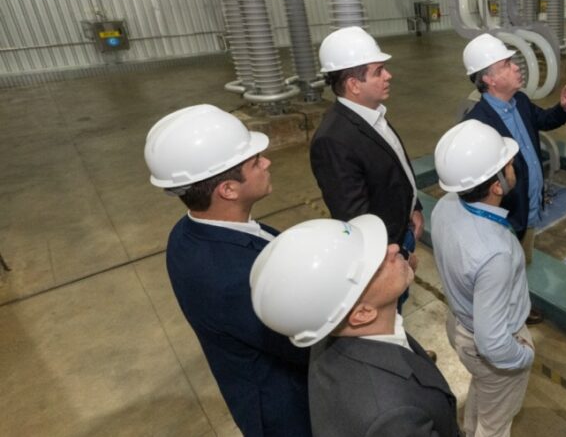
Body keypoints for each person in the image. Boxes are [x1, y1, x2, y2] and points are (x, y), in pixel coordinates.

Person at [144, 104, 310, 437]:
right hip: (289, 412)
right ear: (228, 190)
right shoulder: (233, 280)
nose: (268, 162)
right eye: (255, 161)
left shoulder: (187, 232)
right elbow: (303, 345)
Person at [250, 214, 461, 437]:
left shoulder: (331, 325)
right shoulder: (392, 417)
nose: (393, 248)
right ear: (362, 313)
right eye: (378, 266)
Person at [462, 33, 566, 323]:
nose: (517, 67)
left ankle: (518, 306)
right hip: (506, 217)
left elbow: (543, 120)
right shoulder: (477, 124)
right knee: (501, 271)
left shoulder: (521, 102)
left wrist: (564, 107)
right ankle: (506, 317)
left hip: (529, 209)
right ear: (488, 79)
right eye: (507, 64)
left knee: (521, 263)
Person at [431, 120, 534, 437]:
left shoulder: (445, 205)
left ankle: (468, 428)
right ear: (498, 185)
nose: (513, 165)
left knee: (483, 395)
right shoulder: (494, 253)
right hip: (487, 341)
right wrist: (522, 356)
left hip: (460, 323)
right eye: (507, 163)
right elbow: (492, 341)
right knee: (495, 425)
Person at [310, 26, 423, 307]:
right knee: (388, 311)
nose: (389, 75)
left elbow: (396, 170)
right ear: (353, 84)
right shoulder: (333, 140)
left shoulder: (373, 114)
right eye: (378, 71)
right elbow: (355, 218)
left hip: (402, 232)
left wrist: (415, 207)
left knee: (400, 304)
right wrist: (394, 258)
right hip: (386, 253)